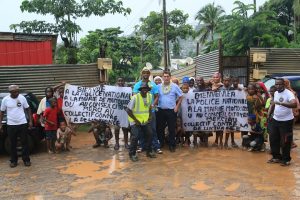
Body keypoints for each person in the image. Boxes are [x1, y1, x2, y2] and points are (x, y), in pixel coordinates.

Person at [0, 85, 33, 167]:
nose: (17, 93)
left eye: (18, 91)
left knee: (24, 142)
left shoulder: (22, 98)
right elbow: (2, 112)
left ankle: (26, 160)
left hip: (22, 123)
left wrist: (30, 121)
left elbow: (28, 109)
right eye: (14, 92)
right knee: (12, 143)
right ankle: (14, 161)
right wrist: (0, 123)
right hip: (11, 125)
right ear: (10, 92)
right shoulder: (5, 100)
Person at [268, 78, 297, 166]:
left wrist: (281, 103)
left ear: (284, 85)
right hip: (276, 119)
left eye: (280, 84)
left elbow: (294, 104)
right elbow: (273, 103)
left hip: (286, 121)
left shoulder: (289, 93)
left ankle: (286, 159)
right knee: (273, 139)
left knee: (285, 141)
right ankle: (276, 157)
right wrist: (269, 114)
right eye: (276, 84)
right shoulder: (276, 93)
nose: (278, 86)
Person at [133, 67, 162, 154]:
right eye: (144, 73)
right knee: (142, 130)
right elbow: (134, 96)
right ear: (142, 74)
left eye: (147, 73)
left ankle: (156, 146)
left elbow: (157, 96)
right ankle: (142, 146)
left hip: (151, 112)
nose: (145, 74)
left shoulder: (153, 85)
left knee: (153, 129)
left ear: (149, 74)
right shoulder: (137, 85)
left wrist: (153, 104)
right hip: (141, 113)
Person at [127, 83, 156, 161]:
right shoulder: (135, 98)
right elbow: (128, 110)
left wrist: (150, 116)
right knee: (135, 137)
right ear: (140, 90)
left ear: (148, 90)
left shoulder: (150, 96)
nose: (145, 90)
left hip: (144, 120)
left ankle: (149, 151)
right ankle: (132, 154)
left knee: (150, 134)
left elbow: (149, 107)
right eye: (143, 89)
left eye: (146, 89)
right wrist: (136, 120)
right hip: (135, 121)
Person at [156, 70, 183, 152]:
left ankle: (172, 145)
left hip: (171, 110)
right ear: (162, 77)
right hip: (161, 110)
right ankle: (161, 142)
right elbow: (155, 97)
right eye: (165, 76)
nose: (166, 78)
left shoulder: (175, 86)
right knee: (160, 128)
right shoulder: (158, 86)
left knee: (171, 128)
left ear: (170, 77)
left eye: (168, 76)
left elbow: (181, 96)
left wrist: (177, 107)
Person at [193, 76, 212, 147]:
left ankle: (206, 142)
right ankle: (195, 143)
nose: (199, 82)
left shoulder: (207, 90)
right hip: (197, 113)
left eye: (201, 81)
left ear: (203, 81)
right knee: (196, 128)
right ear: (196, 82)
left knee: (206, 128)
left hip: (206, 112)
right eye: (198, 81)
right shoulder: (194, 91)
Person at [114, 77, 130, 150]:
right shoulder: (113, 90)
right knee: (117, 129)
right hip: (116, 113)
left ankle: (126, 143)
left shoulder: (127, 90)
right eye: (119, 81)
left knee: (125, 129)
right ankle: (117, 143)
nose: (120, 82)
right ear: (117, 82)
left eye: (121, 81)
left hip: (124, 112)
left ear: (124, 82)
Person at [222, 76, 238, 149]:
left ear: (230, 81)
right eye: (225, 81)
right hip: (223, 111)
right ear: (223, 81)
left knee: (231, 127)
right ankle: (225, 143)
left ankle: (232, 141)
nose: (227, 82)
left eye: (228, 81)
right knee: (227, 127)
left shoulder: (232, 89)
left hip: (231, 111)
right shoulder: (220, 89)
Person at [211, 72, 224, 148]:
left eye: (217, 77)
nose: (215, 78)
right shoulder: (211, 85)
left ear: (220, 78)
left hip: (221, 109)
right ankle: (216, 140)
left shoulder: (222, 86)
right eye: (214, 77)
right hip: (213, 109)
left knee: (221, 126)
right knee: (216, 126)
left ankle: (221, 141)